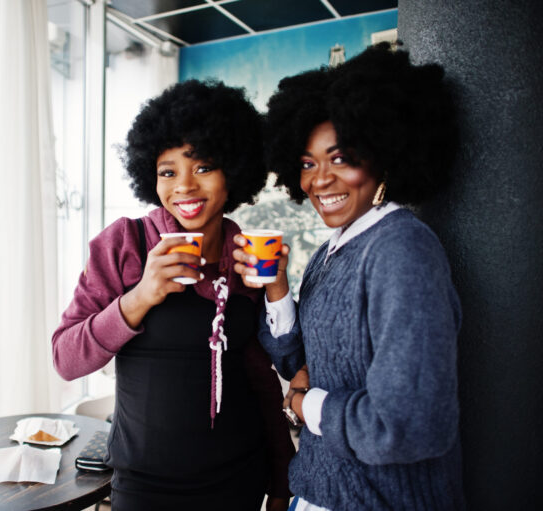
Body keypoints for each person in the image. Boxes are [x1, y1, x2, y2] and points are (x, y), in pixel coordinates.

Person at [233, 43, 465, 510]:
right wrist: (278, 287)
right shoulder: (330, 250)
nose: (319, 179)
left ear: (382, 155)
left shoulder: (402, 250)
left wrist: (304, 404)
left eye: (341, 158)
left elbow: (406, 427)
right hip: (317, 490)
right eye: (306, 162)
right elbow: (299, 362)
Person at [52, 79, 294, 511]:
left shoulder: (247, 258)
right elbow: (66, 360)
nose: (184, 185)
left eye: (203, 167)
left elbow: (260, 379)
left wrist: (281, 477)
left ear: (234, 171)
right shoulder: (124, 244)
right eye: (168, 171)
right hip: (145, 487)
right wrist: (140, 297)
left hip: (239, 482)